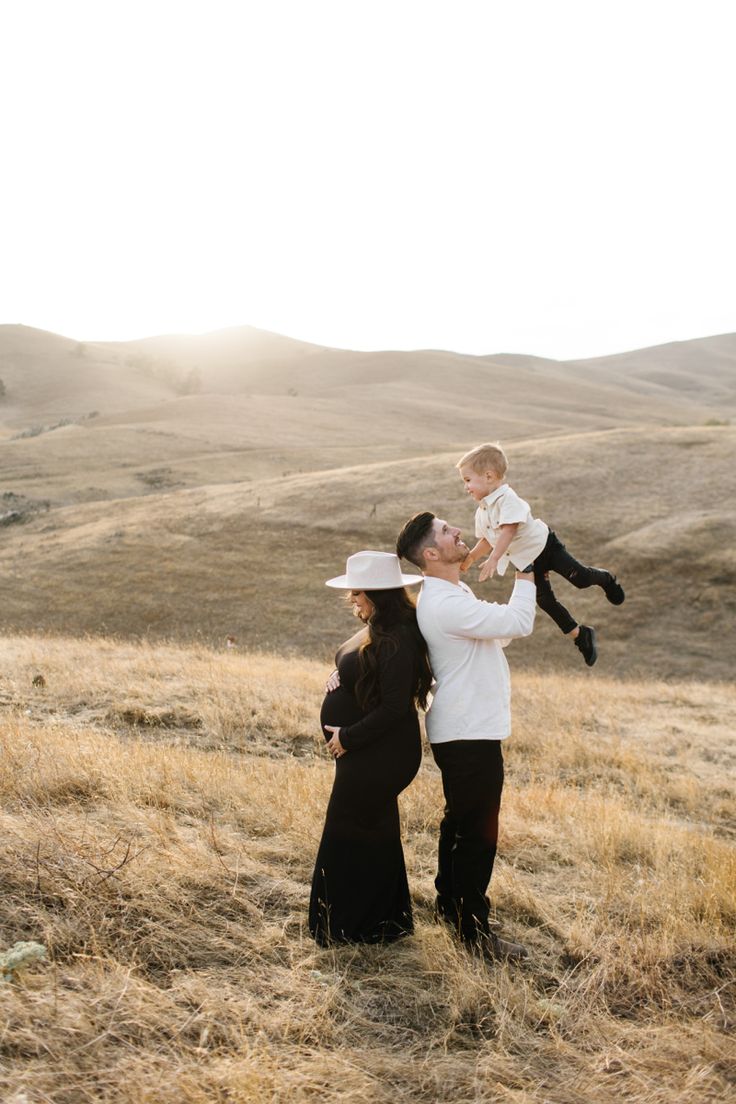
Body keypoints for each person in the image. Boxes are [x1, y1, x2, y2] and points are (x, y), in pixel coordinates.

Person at [396, 512, 536, 961]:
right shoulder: (444, 601)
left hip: (465, 727)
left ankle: (450, 906)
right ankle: (473, 931)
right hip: (467, 731)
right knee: (478, 832)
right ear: (432, 554)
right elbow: (519, 624)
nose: (457, 530)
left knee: (459, 822)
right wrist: (527, 568)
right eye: (445, 531)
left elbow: (501, 633)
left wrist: (503, 619)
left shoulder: (454, 592)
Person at [309, 550, 432, 946]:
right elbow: (360, 659)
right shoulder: (382, 626)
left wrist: (347, 737)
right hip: (370, 751)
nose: (352, 601)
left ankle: (344, 927)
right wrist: (340, 671)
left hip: (383, 753)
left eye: (358, 594)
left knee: (345, 831)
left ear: (379, 594)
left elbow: (396, 709)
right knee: (373, 830)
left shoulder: (397, 638)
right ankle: (383, 924)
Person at [456, 442, 625, 667]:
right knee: (545, 601)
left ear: (489, 476)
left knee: (581, 579)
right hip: (526, 560)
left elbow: (509, 529)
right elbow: (488, 538)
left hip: (545, 547)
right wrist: (471, 558)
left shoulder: (507, 499)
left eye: (468, 480)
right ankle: (580, 635)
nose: (466, 487)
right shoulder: (483, 511)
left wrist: (495, 558)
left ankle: (606, 579)